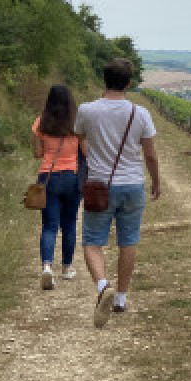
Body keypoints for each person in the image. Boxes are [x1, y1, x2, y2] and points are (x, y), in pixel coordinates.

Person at [75, 58, 161, 327]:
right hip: (133, 184)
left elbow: (80, 137)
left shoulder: (87, 110)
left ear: (104, 79)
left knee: (92, 242)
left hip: (100, 185)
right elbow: (150, 155)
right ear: (129, 83)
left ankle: (103, 286)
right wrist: (156, 181)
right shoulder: (140, 113)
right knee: (129, 241)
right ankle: (121, 298)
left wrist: (92, 158)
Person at [31, 84, 82, 290]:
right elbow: (86, 150)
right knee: (69, 224)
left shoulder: (40, 122)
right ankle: (67, 267)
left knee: (50, 225)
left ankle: (46, 266)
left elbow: (36, 153)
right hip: (72, 176)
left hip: (48, 177)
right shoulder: (76, 123)